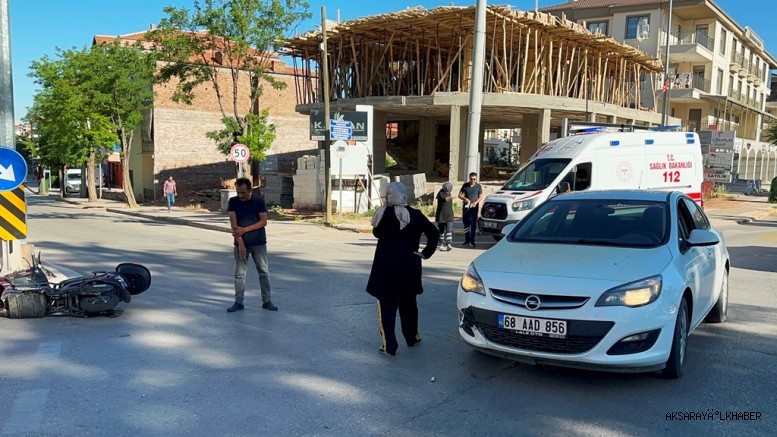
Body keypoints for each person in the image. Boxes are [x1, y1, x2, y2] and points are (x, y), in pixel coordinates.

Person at [366, 182, 439, 356]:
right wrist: (425, 253)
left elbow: (376, 233)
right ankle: (412, 337)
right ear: (404, 194)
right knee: (409, 304)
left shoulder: (382, 214)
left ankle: (389, 346)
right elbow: (434, 233)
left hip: (386, 268)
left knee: (387, 306)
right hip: (409, 267)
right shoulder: (415, 215)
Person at [226, 177, 277, 312]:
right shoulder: (233, 202)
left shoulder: (259, 201)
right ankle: (238, 302)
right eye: (238, 192)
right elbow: (234, 226)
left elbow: (263, 221)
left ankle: (267, 301)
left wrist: (245, 229)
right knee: (239, 274)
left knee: (263, 272)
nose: (240, 195)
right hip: (240, 243)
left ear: (250, 190)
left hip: (258, 243)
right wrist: (241, 244)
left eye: (243, 192)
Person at [458, 172, 484, 248]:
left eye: (474, 179)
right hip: (466, 208)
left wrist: (476, 202)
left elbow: (480, 196)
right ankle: (466, 240)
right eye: (471, 179)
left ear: (476, 179)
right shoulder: (465, 185)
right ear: (469, 178)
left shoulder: (478, 186)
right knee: (466, 224)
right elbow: (459, 195)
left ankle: (472, 241)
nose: (473, 180)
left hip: (474, 208)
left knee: (473, 224)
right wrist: (464, 199)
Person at [435, 182, 454, 251]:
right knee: (441, 231)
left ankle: (449, 244)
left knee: (449, 230)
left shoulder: (449, 193)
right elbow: (445, 199)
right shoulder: (441, 193)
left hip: (449, 215)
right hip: (441, 215)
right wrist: (451, 197)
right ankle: (441, 244)